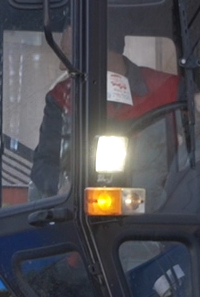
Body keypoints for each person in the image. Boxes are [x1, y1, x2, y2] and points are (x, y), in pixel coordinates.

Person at [28, 28, 181, 199]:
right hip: (79, 215)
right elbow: (44, 164)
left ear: (100, 54)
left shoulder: (168, 89)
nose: (62, 65)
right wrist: (63, 187)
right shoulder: (61, 97)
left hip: (159, 214)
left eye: (68, 55)